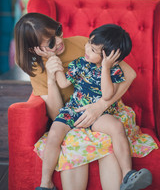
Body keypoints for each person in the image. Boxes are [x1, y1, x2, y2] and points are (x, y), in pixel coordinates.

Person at [14, 13, 156, 190]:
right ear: (33, 50)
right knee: (64, 137)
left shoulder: (84, 45)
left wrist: (101, 106)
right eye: (50, 42)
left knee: (111, 133)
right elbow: (58, 111)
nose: (59, 41)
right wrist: (51, 76)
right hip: (73, 111)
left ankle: (128, 176)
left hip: (102, 109)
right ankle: (46, 184)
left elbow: (129, 74)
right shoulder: (39, 70)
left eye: (58, 31)